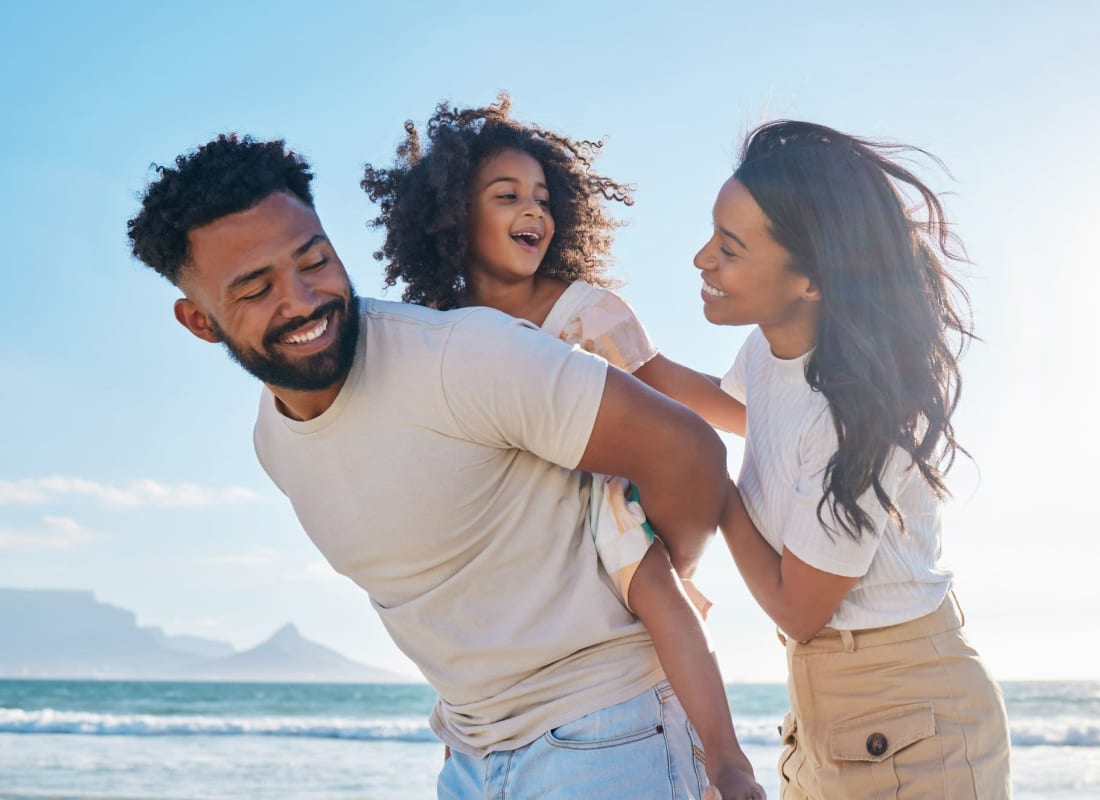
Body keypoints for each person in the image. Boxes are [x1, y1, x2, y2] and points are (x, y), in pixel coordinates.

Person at [127, 133, 731, 799]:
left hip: (604, 736)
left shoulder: (463, 358)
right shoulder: (273, 441)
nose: (301, 300)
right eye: (255, 288)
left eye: (315, 260)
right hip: (470, 755)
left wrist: (646, 576)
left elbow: (690, 452)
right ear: (199, 321)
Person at [361, 94, 761, 800]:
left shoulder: (582, 310)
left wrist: (769, 421)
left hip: (595, 497)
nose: (533, 212)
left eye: (543, 198)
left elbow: (666, 384)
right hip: (510, 523)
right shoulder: (441, 333)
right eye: (507, 195)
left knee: (659, 594)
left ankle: (728, 763)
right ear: (455, 215)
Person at [696, 120, 1012, 798]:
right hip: (825, 712)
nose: (702, 260)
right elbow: (745, 416)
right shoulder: (771, 351)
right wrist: (614, 351)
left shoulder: (857, 416)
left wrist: (713, 491)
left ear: (810, 279)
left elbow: (798, 609)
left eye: (728, 248)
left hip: (911, 725)